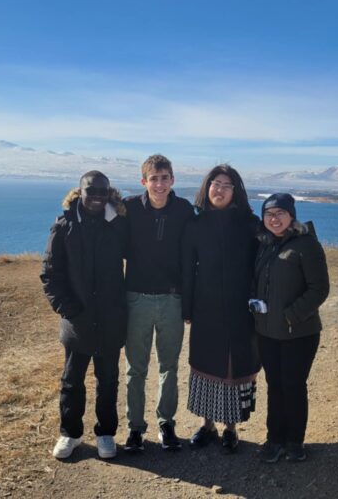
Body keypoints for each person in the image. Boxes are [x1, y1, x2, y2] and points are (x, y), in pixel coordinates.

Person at [40, 171, 129, 460]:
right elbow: (50, 275)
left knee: (108, 381)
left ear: (109, 193)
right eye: (91, 192)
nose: (97, 198)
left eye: (102, 192)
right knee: (71, 381)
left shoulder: (118, 224)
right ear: (80, 193)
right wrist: (69, 310)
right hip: (76, 320)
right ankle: (70, 433)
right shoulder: (64, 226)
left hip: (110, 318)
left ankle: (105, 433)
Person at [181, 164, 260, 453]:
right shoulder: (196, 225)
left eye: (227, 185)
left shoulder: (249, 224)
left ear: (236, 191)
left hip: (242, 308)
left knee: (235, 366)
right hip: (206, 307)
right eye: (216, 183)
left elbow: (263, 263)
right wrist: (187, 307)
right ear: (207, 187)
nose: (220, 189)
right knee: (207, 365)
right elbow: (187, 269)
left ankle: (231, 428)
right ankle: (207, 424)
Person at [123, 155, 194, 453]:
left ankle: (166, 424)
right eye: (154, 178)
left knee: (169, 366)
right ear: (144, 182)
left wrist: (188, 302)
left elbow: (193, 256)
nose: (160, 184)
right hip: (136, 298)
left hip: (171, 299)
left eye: (165, 178)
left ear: (172, 180)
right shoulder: (128, 209)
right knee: (135, 368)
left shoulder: (184, 210)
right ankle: (135, 429)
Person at [252, 193, 330, 464]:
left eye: (280, 213)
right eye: (269, 214)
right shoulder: (264, 244)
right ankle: (275, 440)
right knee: (274, 386)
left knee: (293, 386)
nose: (274, 219)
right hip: (267, 331)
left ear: (291, 216)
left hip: (299, 332)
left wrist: (290, 316)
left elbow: (319, 289)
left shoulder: (306, 245)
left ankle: (295, 442)